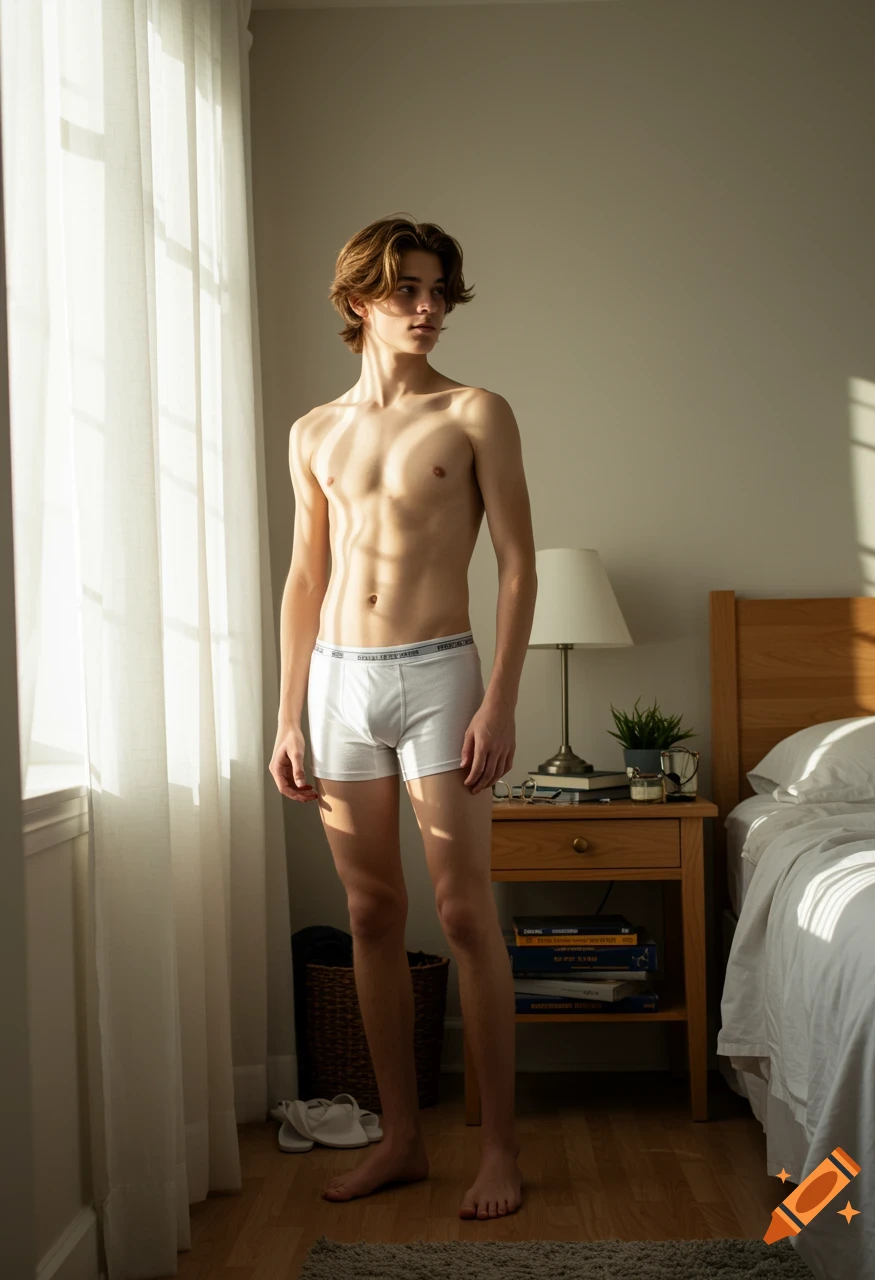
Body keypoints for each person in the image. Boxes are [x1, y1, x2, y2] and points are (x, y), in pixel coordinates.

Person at [268, 214, 537, 1220]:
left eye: (436, 291)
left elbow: (517, 563)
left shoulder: (474, 412)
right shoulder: (313, 431)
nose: (427, 308)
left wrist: (499, 698)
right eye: (406, 291)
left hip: (439, 675)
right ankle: (402, 1139)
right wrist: (286, 714)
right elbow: (304, 576)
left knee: (464, 914)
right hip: (337, 681)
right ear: (358, 301)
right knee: (372, 915)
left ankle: (498, 1146)